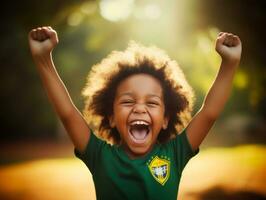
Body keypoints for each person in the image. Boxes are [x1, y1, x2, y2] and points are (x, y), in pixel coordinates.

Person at [28, 26, 242, 200]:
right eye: (128, 101)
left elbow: (209, 113)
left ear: (166, 119)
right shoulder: (99, 156)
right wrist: (43, 59)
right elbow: (67, 113)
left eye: (152, 102)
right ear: (111, 117)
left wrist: (229, 63)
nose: (139, 108)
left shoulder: (174, 155)